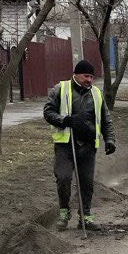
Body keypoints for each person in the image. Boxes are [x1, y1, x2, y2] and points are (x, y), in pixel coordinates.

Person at [43, 59, 115, 229]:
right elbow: (48, 112)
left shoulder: (96, 93)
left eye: (91, 77)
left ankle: (85, 216)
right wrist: (64, 120)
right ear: (75, 74)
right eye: (86, 76)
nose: (89, 80)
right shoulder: (60, 89)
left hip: (88, 145)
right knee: (63, 178)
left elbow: (106, 119)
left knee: (86, 182)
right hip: (65, 145)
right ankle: (64, 212)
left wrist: (110, 139)